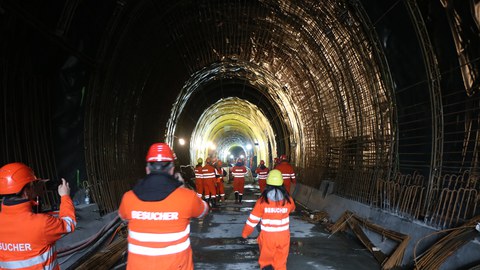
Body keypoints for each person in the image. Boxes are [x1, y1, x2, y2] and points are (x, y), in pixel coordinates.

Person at [118, 143, 209, 270]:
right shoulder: (187, 197)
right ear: (172, 169)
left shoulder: (128, 198)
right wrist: (182, 187)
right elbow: (203, 210)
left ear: (147, 169)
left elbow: (122, 216)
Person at [0, 162, 76, 270]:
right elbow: (69, 224)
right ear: (26, 191)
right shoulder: (42, 223)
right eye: (32, 184)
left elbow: (25, 220)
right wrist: (65, 196)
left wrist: (35, 195)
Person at [242, 169, 296, 270]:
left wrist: (245, 233)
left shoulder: (262, 201)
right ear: (281, 183)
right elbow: (292, 209)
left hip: (268, 237)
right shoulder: (288, 200)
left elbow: (252, 220)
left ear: (268, 183)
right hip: (283, 236)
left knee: (266, 262)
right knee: (280, 263)